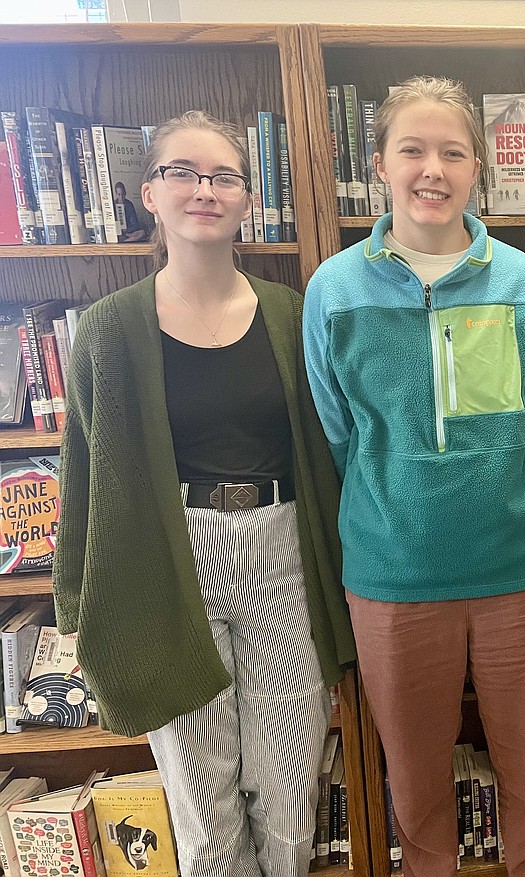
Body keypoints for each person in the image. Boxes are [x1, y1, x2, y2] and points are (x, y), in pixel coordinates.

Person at [52, 110, 356, 877]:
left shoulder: (292, 312)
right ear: (149, 192)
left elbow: (329, 453)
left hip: (280, 547)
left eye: (224, 176)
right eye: (182, 173)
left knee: (289, 790)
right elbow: (86, 477)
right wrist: (75, 605)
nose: (204, 190)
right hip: (172, 562)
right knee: (202, 801)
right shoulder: (107, 329)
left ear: (248, 199)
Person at [303, 76, 525, 877]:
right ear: (380, 161)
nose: (432, 168)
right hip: (393, 577)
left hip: (518, 569)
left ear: (476, 166)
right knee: (415, 785)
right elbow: (339, 434)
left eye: (452, 151)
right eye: (412, 149)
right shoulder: (333, 290)